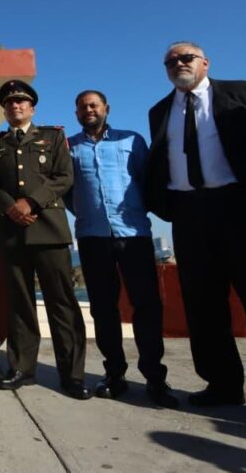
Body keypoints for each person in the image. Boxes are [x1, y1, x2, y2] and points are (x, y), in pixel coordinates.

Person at [145, 41, 246, 431]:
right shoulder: (159, 111)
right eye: (171, 61)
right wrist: (170, 207)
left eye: (186, 58)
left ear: (205, 62)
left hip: (241, 211)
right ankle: (223, 384)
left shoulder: (245, 95)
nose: (178, 64)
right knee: (202, 306)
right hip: (188, 215)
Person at [0, 80, 90, 399]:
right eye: (10, 102)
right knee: (19, 303)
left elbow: (63, 177)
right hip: (12, 231)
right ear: (4, 108)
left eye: (21, 102)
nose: (16, 106)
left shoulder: (53, 137)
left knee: (62, 303)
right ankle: (22, 368)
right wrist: (10, 206)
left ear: (32, 108)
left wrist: (31, 201)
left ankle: (72, 374)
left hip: (48, 230)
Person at [66, 90, 177, 408]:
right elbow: (66, 190)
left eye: (94, 105)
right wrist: (86, 213)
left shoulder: (132, 140)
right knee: (103, 308)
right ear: (76, 113)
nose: (89, 110)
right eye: (83, 107)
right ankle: (114, 374)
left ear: (106, 109)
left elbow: (147, 180)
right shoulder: (70, 147)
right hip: (92, 237)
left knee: (146, 306)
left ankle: (155, 378)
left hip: (134, 235)